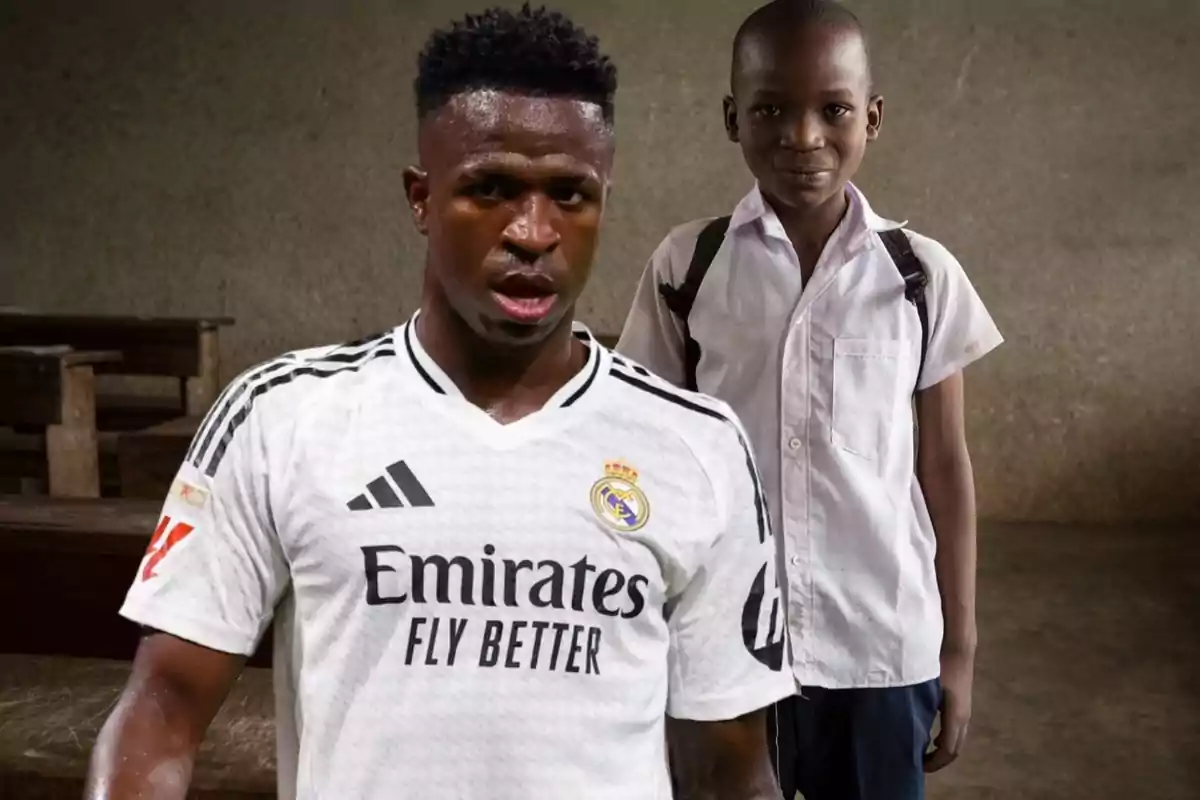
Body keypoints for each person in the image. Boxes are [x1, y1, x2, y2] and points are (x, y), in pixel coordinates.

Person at [84, 5, 794, 800]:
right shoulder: (283, 418)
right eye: (490, 189)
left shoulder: (694, 445)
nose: (533, 231)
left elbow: (732, 772)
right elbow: (163, 712)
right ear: (421, 198)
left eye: (570, 194)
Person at [617, 1, 1005, 798]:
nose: (802, 138)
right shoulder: (688, 267)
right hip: (726, 647)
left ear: (873, 116)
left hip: (880, 646)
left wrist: (958, 650)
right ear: (733, 118)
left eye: (832, 110)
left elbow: (943, 465)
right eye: (770, 110)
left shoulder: (919, 276)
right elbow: (646, 458)